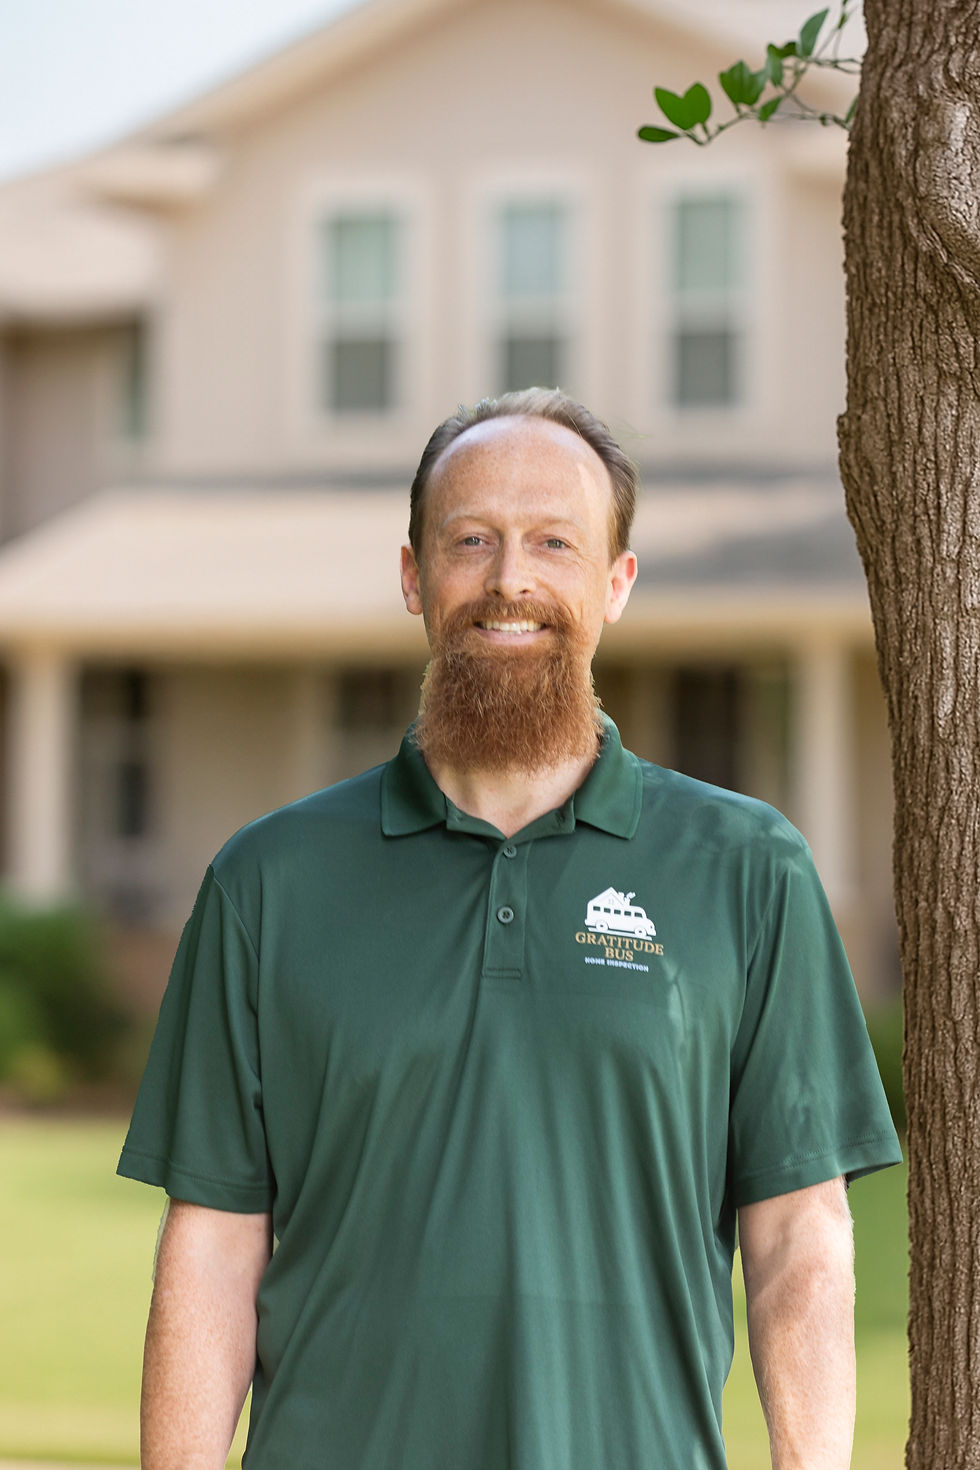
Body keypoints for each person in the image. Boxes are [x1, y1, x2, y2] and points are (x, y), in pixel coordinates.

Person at [118, 388, 901, 1470]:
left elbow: (797, 1244)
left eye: (552, 543)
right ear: (412, 576)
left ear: (615, 584)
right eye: (470, 541)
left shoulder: (745, 871)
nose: (508, 582)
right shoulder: (269, 882)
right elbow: (209, 1250)